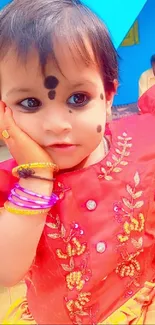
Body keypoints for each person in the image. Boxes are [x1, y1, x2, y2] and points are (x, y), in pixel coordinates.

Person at [0, 1, 155, 324]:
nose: (57, 124)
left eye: (78, 99)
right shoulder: (10, 183)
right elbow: (6, 272)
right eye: (29, 103)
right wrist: (36, 179)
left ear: (109, 96)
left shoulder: (145, 141)